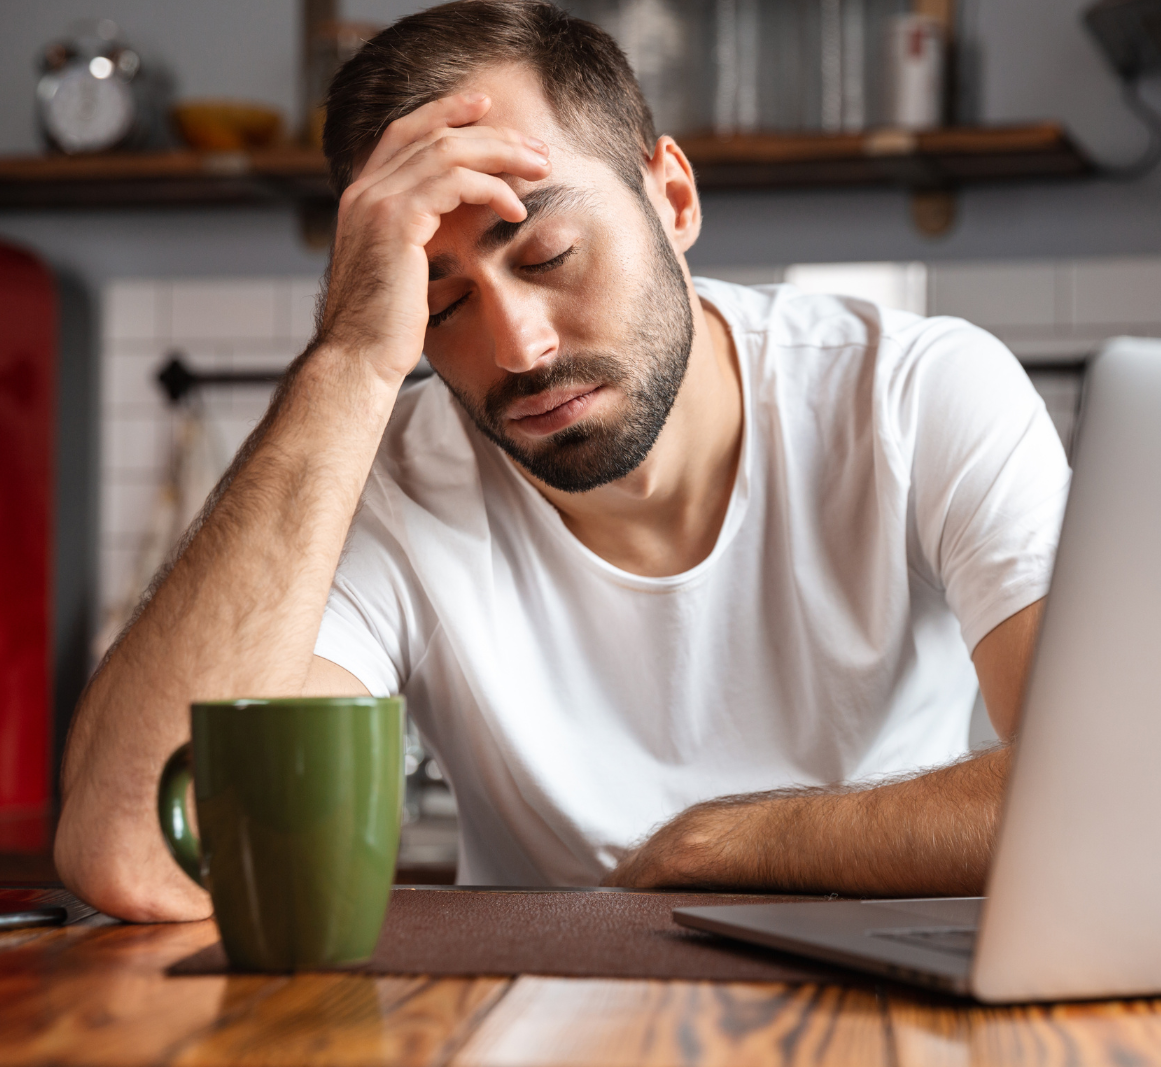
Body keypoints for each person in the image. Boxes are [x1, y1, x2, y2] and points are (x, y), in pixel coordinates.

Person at [55, 0, 1070, 922]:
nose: (520, 348)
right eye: (440, 303)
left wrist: (727, 842)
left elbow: (1107, 782)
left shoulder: (917, 392)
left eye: (547, 256)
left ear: (671, 200)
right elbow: (140, 856)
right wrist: (350, 357)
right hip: (537, 1009)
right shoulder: (387, 480)